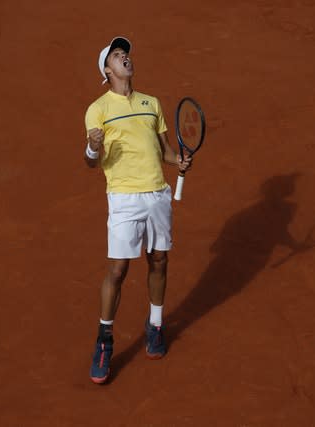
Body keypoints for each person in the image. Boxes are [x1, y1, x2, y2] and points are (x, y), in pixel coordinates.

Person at [83, 36, 192, 384]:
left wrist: (180, 160)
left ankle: (155, 325)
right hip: (124, 199)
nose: (125, 57)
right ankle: (104, 339)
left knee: (159, 260)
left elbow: (165, 151)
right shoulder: (97, 109)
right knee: (117, 270)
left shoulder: (151, 103)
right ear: (107, 70)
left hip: (157, 194)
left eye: (126, 53)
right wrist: (92, 146)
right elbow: (91, 161)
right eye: (117, 55)